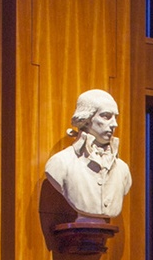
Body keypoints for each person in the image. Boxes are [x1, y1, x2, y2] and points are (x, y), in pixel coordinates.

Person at [44, 88, 134, 219]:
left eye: (115, 117)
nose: (114, 124)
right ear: (85, 119)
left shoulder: (123, 169)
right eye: (106, 116)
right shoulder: (60, 163)